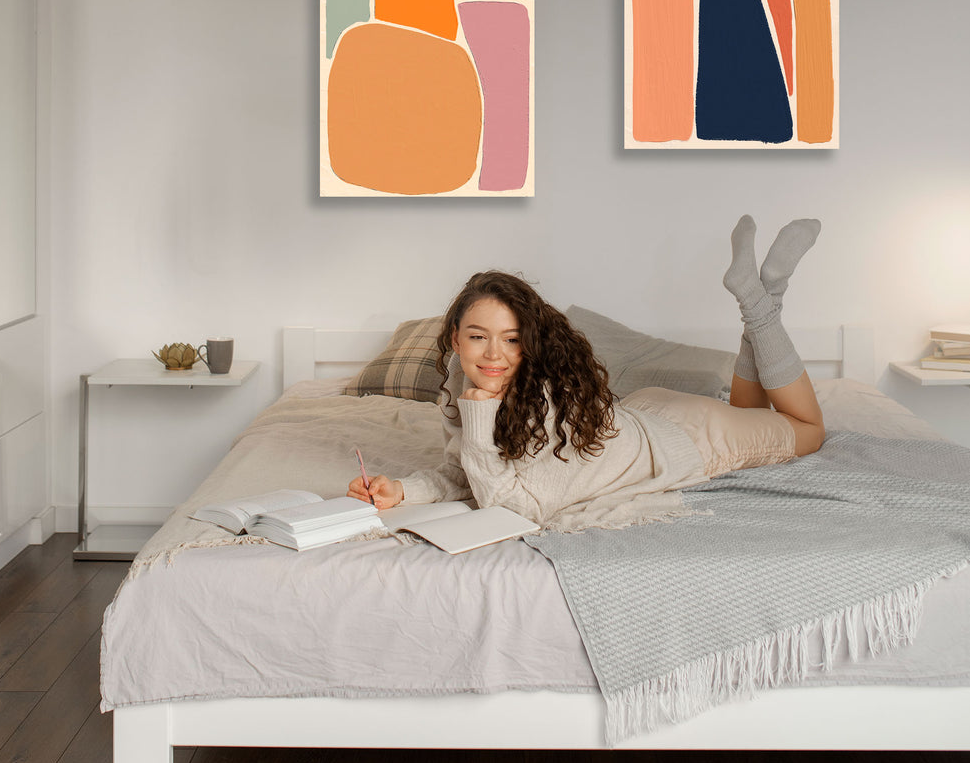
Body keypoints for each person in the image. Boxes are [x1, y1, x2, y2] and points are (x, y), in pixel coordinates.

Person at [348, 215, 826, 532]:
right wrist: (405, 490)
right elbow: (468, 469)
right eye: (478, 336)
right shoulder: (462, 375)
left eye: (511, 339)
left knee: (808, 429)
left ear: (529, 342)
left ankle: (760, 302)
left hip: (691, 439)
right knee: (750, 412)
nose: (493, 354)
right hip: (649, 415)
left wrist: (478, 414)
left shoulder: (545, 400)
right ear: (454, 338)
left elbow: (513, 509)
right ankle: (767, 294)